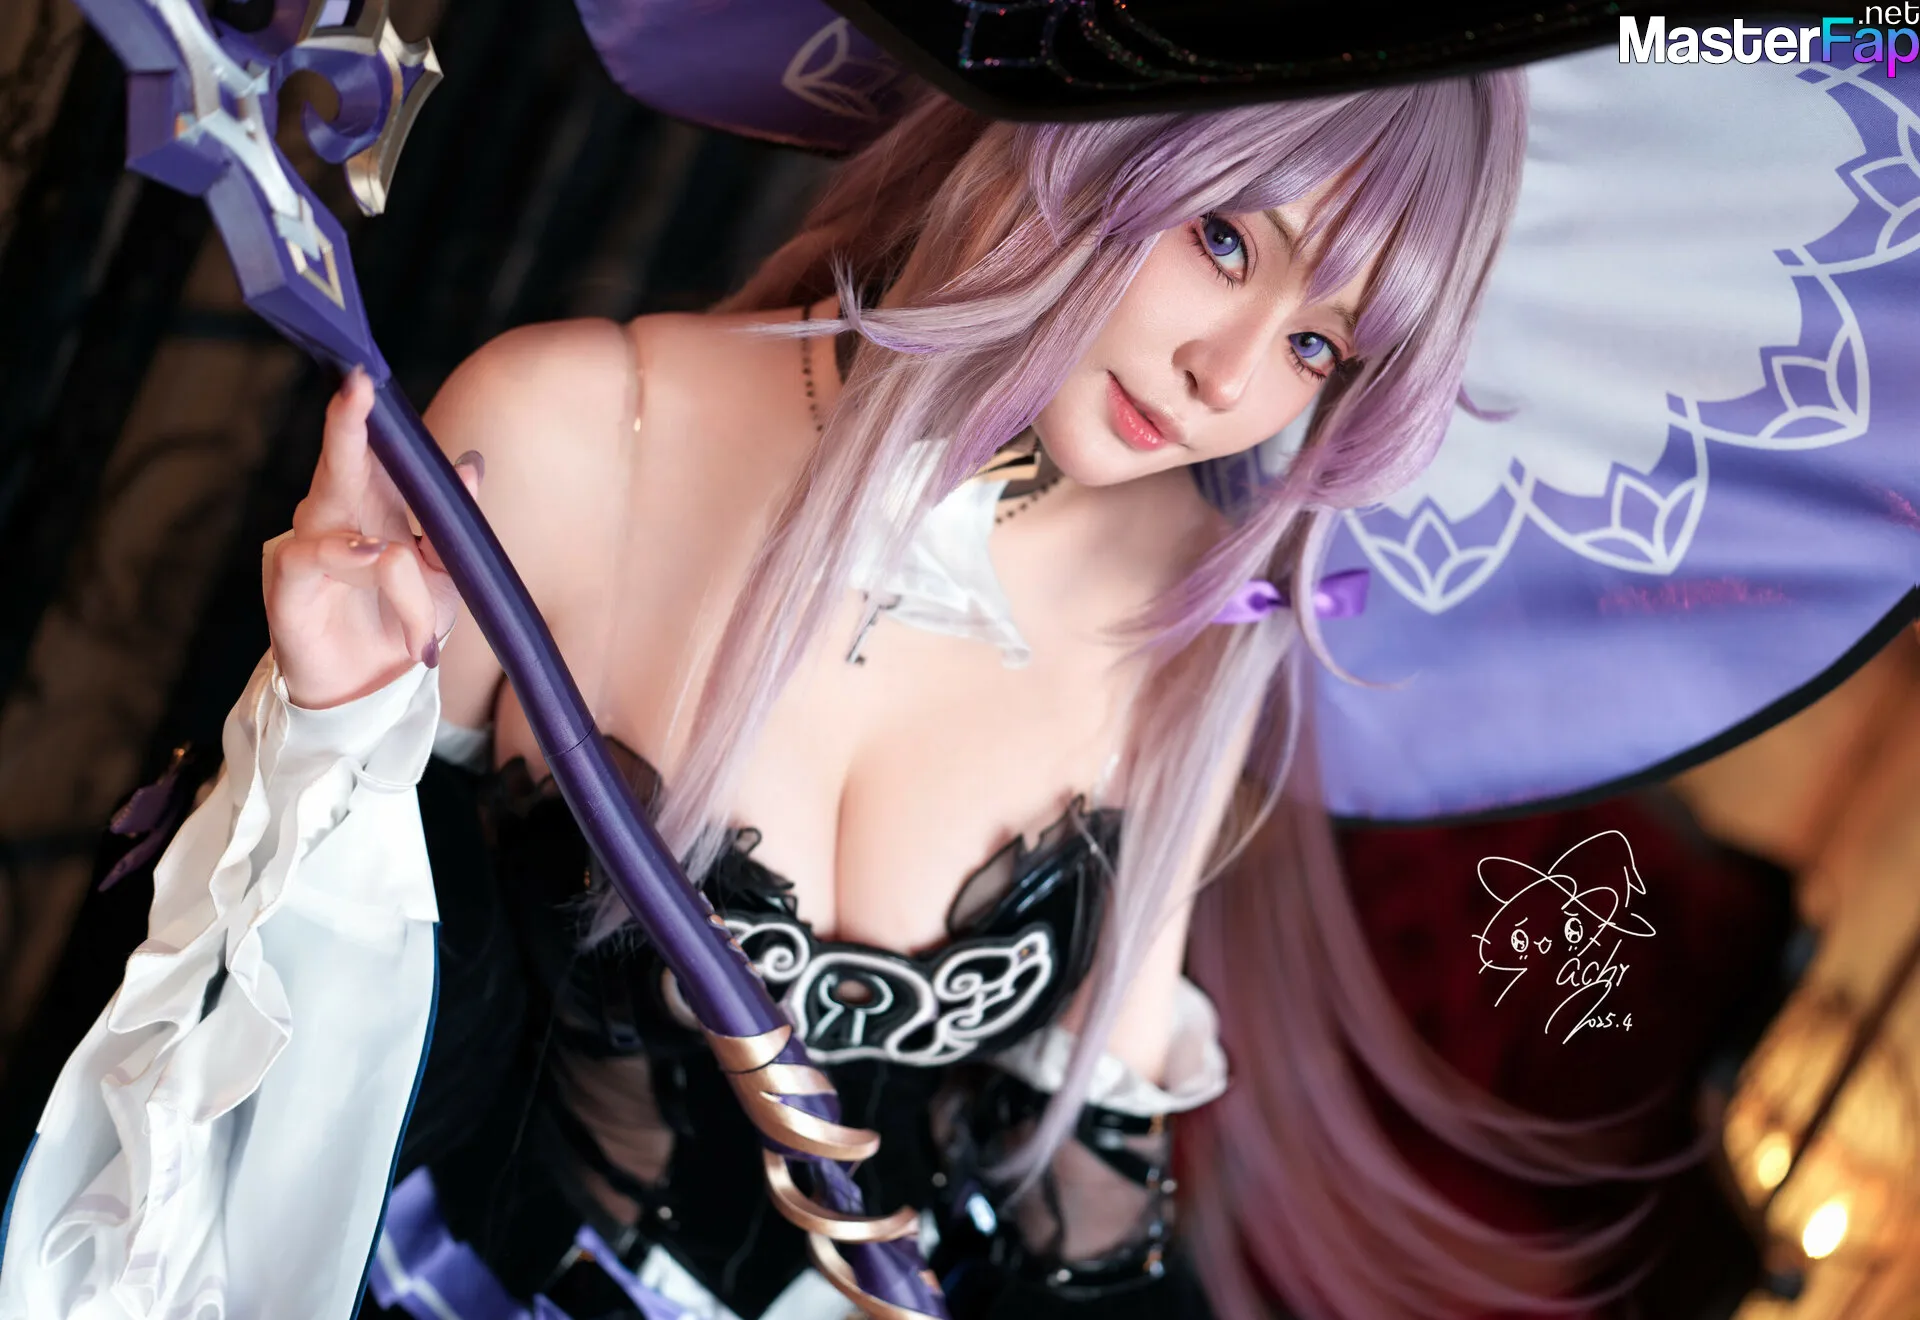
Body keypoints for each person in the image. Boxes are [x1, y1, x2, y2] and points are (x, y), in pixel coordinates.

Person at [1, 74, 1661, 1320]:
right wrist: (335, 738)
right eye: (1226, 239)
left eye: (1319, 347)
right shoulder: (581, 432)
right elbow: (335, 1053)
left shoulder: (1200, 621)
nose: (1231, 377)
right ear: (1089, 133)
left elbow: (1081, 1186)